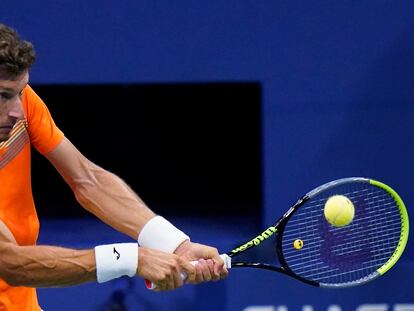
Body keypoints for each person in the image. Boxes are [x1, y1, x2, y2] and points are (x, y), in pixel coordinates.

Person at [0, 23, 227, 311]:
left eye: (20, 92)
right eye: (4, 95)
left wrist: (173, 243)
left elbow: (88, 180)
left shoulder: (21, 106)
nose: (18, 110)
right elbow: (10, 263)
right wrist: (131, 259)